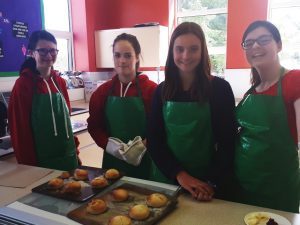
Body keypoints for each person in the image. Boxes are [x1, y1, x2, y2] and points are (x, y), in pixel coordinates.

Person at [147, 22, 236, 201]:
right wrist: (179, 174)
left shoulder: (220, 89)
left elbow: (228, 143)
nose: (186, 56)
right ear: (172, 52)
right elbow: (155, 141)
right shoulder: (161, 91)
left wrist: (211, 182)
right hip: (167, 178)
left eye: (193, 49)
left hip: (205, 184)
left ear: (202, 51)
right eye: (179, 49)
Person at [235, 20, 300, 213]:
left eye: (263, 39)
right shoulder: (251, 92)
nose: (255, 46)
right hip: (243, 185)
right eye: (249, 42)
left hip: (277, 189)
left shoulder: (294, 80)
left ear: (279, 45)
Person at [87, 33, 157, 179]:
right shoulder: (101, 93)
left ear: (137, 57)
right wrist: (109, 146)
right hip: (112, 163)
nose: (122, 61)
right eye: (117, 55)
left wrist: (143, 145)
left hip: (146, 160)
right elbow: (94, 126)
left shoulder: (152, 91)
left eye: (127, 55)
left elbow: (159, 127)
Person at [8, 30, 79, 170]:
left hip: (69, 159)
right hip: (40, 165)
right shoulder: (23, 85)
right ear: (31, 53)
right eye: (42, 51)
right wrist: (30, 169)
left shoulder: (60, 83)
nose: (49, 56)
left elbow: (67, 125)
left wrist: (75, 153)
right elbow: (20, 132)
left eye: (53, 51)